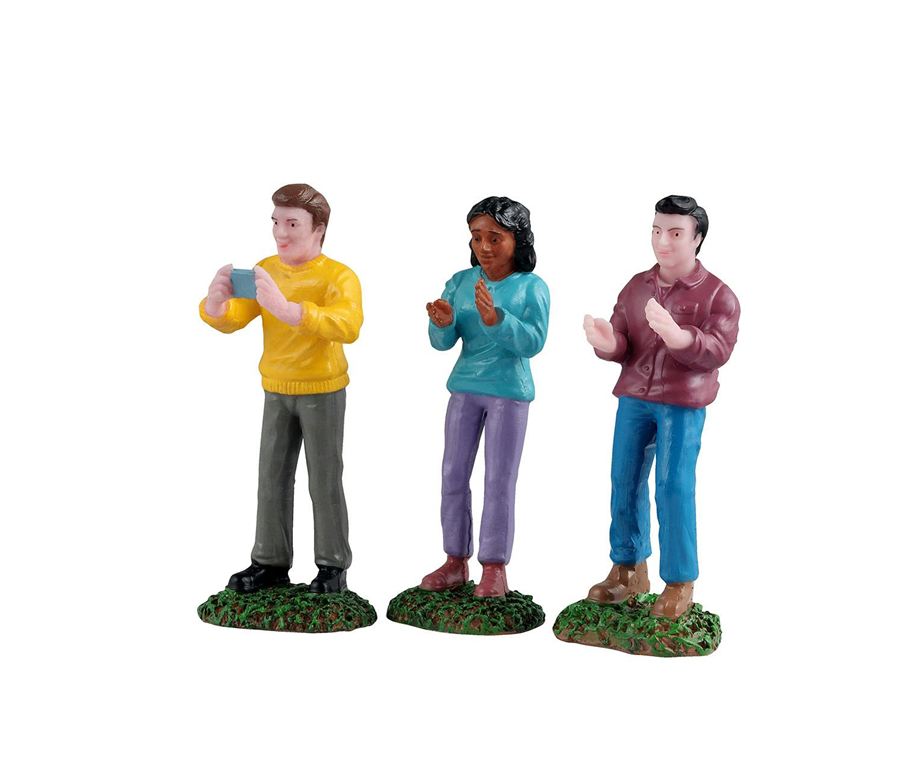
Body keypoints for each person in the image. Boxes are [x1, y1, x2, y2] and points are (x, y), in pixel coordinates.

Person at [200, 183, 363, 594]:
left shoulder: (338, 276)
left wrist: (292, 311)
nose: (280, 233)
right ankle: (269, 561)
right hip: (276, 389)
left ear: (318, 229)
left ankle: (332, 566)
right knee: (270, 477)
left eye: (292, 224)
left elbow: (348, 324)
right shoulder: (266, 270)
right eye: (276, 222)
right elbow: (236, 316)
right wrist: (216, 305)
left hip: (322, 391)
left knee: (324, 479)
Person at [583, 195, 739, 618]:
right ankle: (628, 567)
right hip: (635, 396)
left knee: (673, 485)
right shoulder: (637, 286)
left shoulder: (718, 295)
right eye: (656, 231)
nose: (662, 242)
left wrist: (680, 337)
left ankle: (679, 579)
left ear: (697, 238)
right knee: (624, 477)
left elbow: (719, 348)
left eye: (674, 233)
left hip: (681, 403)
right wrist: (607, 342)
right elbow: (622, 338)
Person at [420, 196, 550, 598]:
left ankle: (494, 567)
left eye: (495, 238)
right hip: (464, 388)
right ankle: (454, 560)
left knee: (499, 479)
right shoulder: (461, 282)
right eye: (477, 237)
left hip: (508, 393)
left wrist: (497, 319)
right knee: (453, 473)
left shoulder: (531, 287)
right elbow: (442, 342)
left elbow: (534, 341)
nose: (484, 247)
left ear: (517, 240)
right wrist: (442, 323)